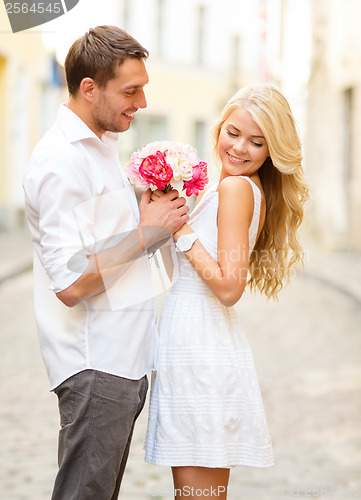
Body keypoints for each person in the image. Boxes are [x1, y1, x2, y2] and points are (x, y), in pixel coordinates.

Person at [23, 25, 189, 500]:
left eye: (143, 89)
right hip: (96, 363)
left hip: (124, 360)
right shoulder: (60, 162)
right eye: (130, 91)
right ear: (89, 87)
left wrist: (155, 221)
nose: (140, 103)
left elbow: (105, 249)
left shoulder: (100, 150)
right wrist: (146, 232)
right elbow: (72, 281)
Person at [145, 84, 309, 499]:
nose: (240, 148)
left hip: (203, 342)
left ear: (272, 151)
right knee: (198, 493)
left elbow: (230, 286)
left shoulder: (237, 189)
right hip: (194, 339)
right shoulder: (226, 188)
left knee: (198, 494)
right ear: (219, 128)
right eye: (233, 132)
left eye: (257, 142)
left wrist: (179, 229)